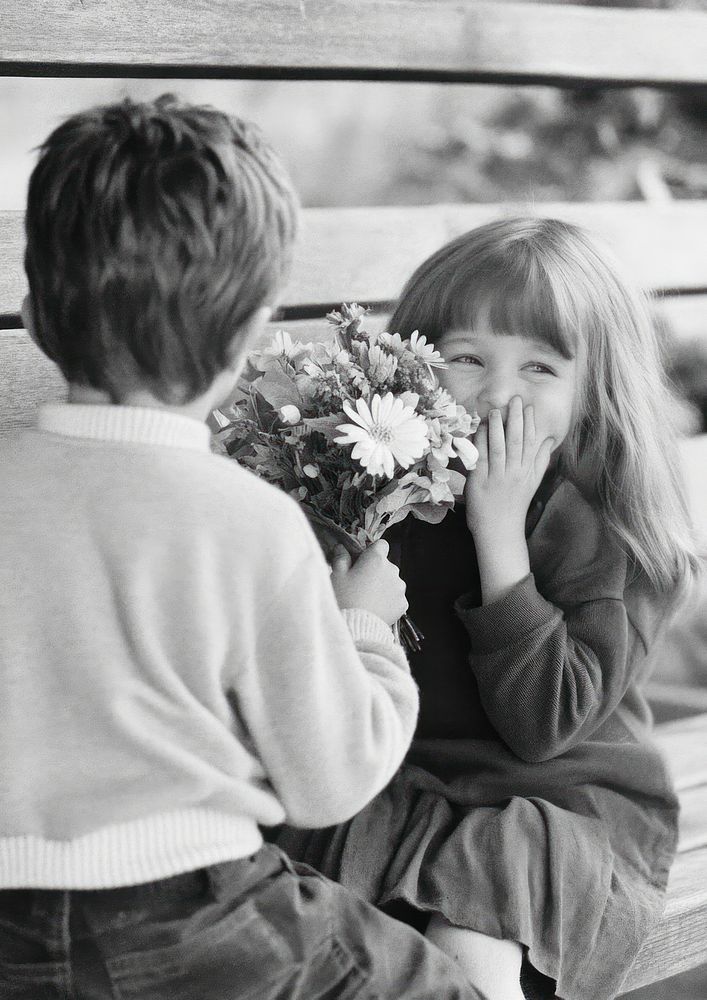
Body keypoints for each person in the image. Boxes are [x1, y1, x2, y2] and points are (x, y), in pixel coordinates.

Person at [0, 96, 486, 1000]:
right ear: (246, 335)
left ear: (35, 317)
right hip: (198, 915)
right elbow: (328, 781)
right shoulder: (247, 521)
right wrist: (364, 632)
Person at [275, 217, 700, 1000]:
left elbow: (541, 727)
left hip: (555, 805)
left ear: (594, 391)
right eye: (467, 357)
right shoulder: (381, 494)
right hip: (404, 789)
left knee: (473, 936)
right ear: (415, 368)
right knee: (329, 933)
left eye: (538, 366)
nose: (498, 392)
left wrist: (498, 534)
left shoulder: (618, 531)